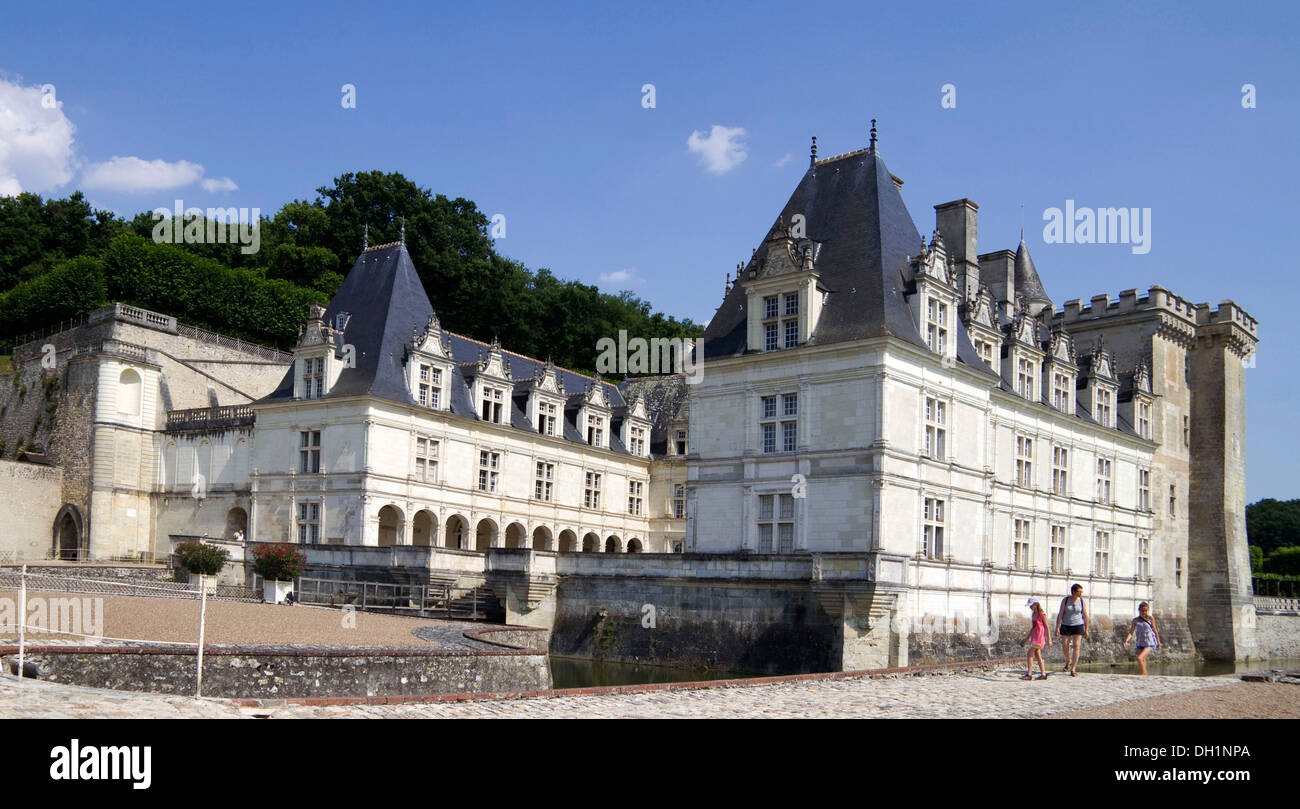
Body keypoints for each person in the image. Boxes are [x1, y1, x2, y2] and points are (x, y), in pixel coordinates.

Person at [1055, 583, 1088, 676]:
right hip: (1066, 625)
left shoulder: (1081, 601)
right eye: (1079, 591)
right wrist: (1057, 627)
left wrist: (1087, 628)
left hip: (1078, 625)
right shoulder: (1065, 600)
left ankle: (1073, 669)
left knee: (1076, 646)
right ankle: (1069, 659)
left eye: (1082, 591)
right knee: (1065, 646)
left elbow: (1085, 615)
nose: (1081, 593)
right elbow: (1060, 613)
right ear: (1074, 591)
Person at [1122, 602, 1161, 675]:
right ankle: (1144, 676)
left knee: (1139, 658)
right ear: (1139, 610)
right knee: (1143, 660)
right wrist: (1126, 641)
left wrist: (1158, 642)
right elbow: (1131, 632)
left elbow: (1155, 630)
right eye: (1142, 610)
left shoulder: (1150, 618)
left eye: (1145, 611)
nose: (1144, 612)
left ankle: (1143, 674)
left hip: (1150, 643)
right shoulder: (1135, 620)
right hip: (1140, 642)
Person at [1020, 598, 1051, 680]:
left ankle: (1029, 674)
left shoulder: (1041, 614)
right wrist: (1026, 639)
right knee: (1038, 655)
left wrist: (1049, 639)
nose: (1030, 607)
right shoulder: (1034, 614)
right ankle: (1043, 674)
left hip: (1039, 636)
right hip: (1035, 636)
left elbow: (1046, 626)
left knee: (1029, 654)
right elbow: (1033, 628)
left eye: (1031, 605)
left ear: (1036, 604)